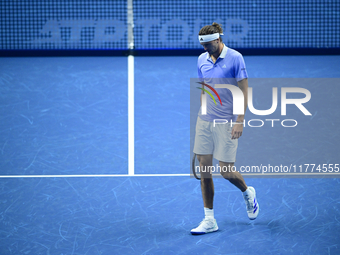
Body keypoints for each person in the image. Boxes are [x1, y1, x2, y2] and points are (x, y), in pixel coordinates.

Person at [191, 22, 259, 235]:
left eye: (208, 45)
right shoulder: (202, 59)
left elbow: (244, 90)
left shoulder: (236, 58)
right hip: (205, 121)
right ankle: (209, 219)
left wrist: (240, 120)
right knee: (205, 172)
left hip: (228, 121)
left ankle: (248, 193)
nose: (205, 49)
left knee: (226, 171)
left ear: (218, 40)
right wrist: (200, 119)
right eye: (203, 46)